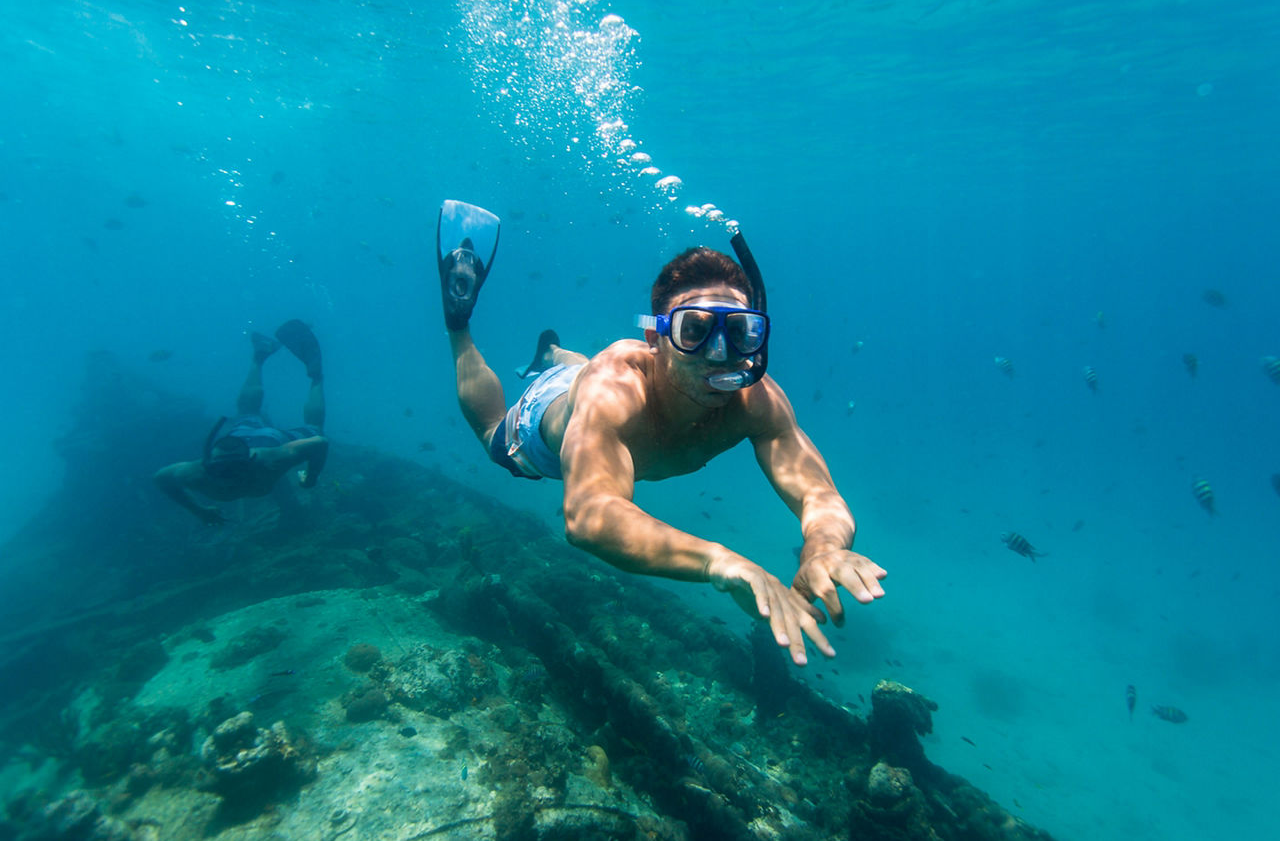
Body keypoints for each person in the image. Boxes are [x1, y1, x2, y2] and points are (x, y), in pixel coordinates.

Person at [436, 200, 885, 666]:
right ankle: (459, 325)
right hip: (538, 423)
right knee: (494, 436)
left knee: (584, 370)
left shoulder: (758, 401)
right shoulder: (614, 391)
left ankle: (553, 352)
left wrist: (823, 549)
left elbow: (819, 495)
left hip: (595, 381)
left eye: (741, 333)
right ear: (656, 339)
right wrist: (720, 562)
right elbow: (590, 516)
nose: (720, 354)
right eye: (695, 331)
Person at [154, 320, 330, 524]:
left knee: (249, 412)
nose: (230, 478)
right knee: (309, 427)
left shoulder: (196, 473)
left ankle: (264, 358)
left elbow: (162, 478)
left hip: (259, 438)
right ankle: (315, 378)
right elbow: (319, 442)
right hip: (253, 440)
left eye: (231, 471)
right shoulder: (269, 462)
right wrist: (310, 477)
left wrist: (199, 510)